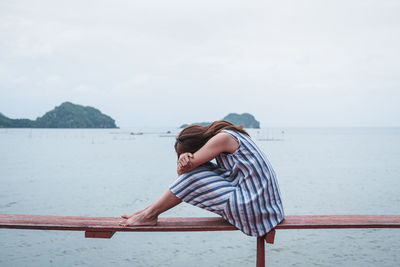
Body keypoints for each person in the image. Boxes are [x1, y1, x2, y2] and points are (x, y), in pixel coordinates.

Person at [119, 120, 284, 236]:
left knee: (193, 176)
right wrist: (186, 158)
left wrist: (185, 159)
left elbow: (186, 173)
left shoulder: (223, 138)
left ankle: (149, 215)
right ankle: (147, 212)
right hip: (264, 208)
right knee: (199, 170)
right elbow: (188, 171)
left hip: (256, 209)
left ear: (198, 147)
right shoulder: (227, 136)